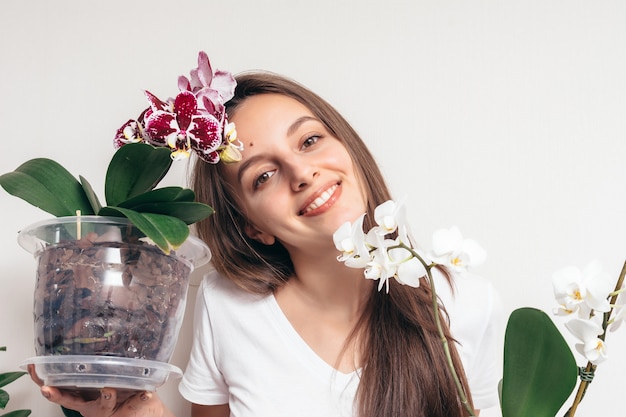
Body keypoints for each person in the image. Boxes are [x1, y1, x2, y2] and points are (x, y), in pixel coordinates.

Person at [30, 71, 502, 417]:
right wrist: (135, 411)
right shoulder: (227, 305)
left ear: (349, 150)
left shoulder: (465, 304)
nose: (303, 173)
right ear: (254, 227)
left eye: (311, 140)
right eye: (264, 176)